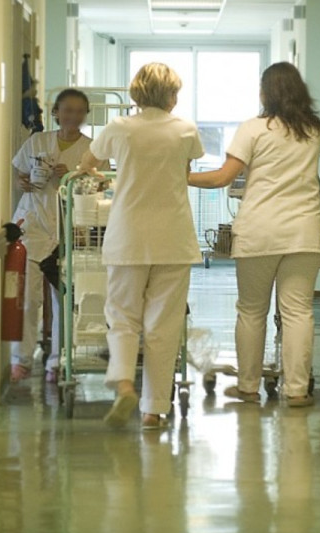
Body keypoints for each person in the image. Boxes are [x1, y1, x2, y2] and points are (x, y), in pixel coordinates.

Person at [189, 62, 320, 408]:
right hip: (304, 231)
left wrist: (181, 176)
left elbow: (222, 177)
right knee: (298, 311)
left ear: (266, 93)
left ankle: (248, 387)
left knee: (251, 310)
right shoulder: (312, 129)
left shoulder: (252, 129)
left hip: (260, 231)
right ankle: (297, 390)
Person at [79, 63, 204, 430]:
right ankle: (154, 409)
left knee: (122, 316)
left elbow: (87, 163)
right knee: (163, 324)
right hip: (174, 238)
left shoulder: (119, 127)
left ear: (136, 93)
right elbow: (184, 172)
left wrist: (98, 173)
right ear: (170, 96)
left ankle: (123, 384)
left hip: (128, 237)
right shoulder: (185, 130)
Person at [10, 88, 95, 383]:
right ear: (56, 112)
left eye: (79, 111)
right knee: (28, 298)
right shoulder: (38, 141)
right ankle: (21, 359)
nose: (73, 116)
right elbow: (19, 173)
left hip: (68, 230)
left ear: (86, 115)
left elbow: (100, 190)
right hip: (33, 227)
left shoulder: (92, 149)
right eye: (67, 110)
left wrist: (70, 176)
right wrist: (21, 182)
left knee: (64, 301)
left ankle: (58, 361)